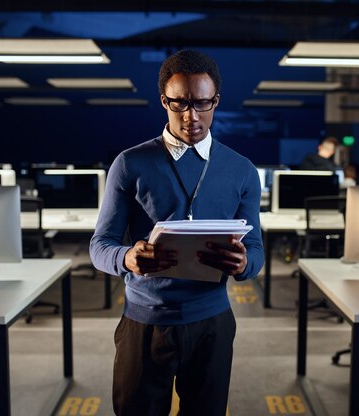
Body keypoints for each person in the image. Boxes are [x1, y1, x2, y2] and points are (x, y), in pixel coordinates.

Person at [89, 49, 264, 416]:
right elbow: (99, 246)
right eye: (179, 104)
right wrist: (127, 258)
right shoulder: (130, 163)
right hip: (145, 322)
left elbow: (256, 251)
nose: (191, 116)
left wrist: (244, 263)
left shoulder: (242, 170)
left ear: (216, 101)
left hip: (212, 322)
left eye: (202, 103)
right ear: (163, 101)